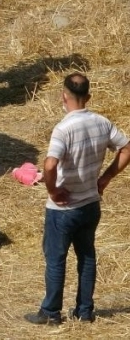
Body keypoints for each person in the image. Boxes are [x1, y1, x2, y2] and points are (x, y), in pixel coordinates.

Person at [25, 73, 130, 325]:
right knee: (87, 256)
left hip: (63, 208)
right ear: (89, 97)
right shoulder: (102, 123)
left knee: (56, 259)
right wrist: (104, 179)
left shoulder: (63, 129)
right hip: (90, 203)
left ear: (63, 96)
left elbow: (50, 164)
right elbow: (126, 147)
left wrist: (52, 190)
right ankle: (84, 311)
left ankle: (51, 312)